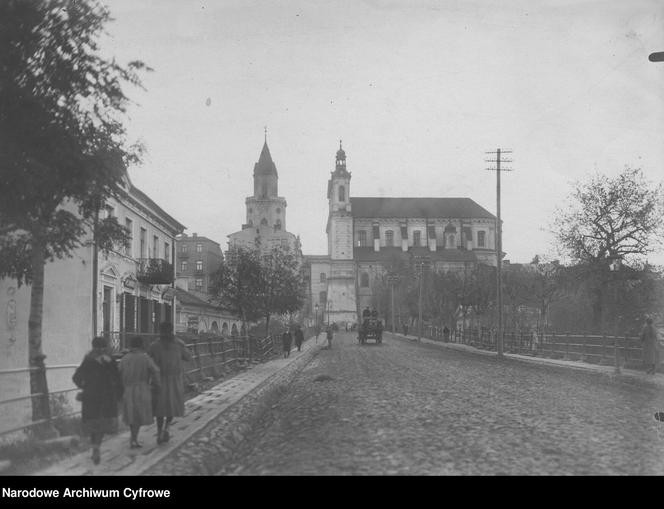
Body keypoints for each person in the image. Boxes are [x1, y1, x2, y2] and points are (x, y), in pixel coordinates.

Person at [72, 336, 123, 465]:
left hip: (93, 397)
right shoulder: (109, 360)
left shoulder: (89, 360)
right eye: (99, 347)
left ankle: (95, 448)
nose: (100, 350)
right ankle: (96, 448)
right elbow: (117, 377)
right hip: (105, 396)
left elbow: (77, 377)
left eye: (101, 347)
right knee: (99, 423)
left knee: (94, 423)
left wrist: (85, 387)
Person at [149, 322, 192, 444]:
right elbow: (188, 357)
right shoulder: (178, 344)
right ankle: (165, 429)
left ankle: (162, 430)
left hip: (162, 379)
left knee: (162, 407)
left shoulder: (155, 345)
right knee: (167, 407)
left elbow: (148, 357)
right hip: (169, 380)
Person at [119, 336, 161, 449]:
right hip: (142, 389)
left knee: (132, 414)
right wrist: (157, 385)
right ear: (141, 345)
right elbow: (155, 371)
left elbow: (118, 372)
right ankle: (133, 440)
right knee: (137, 415)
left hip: (128, 389)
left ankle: (133, 439)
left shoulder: (125, 358)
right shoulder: (145, 358)